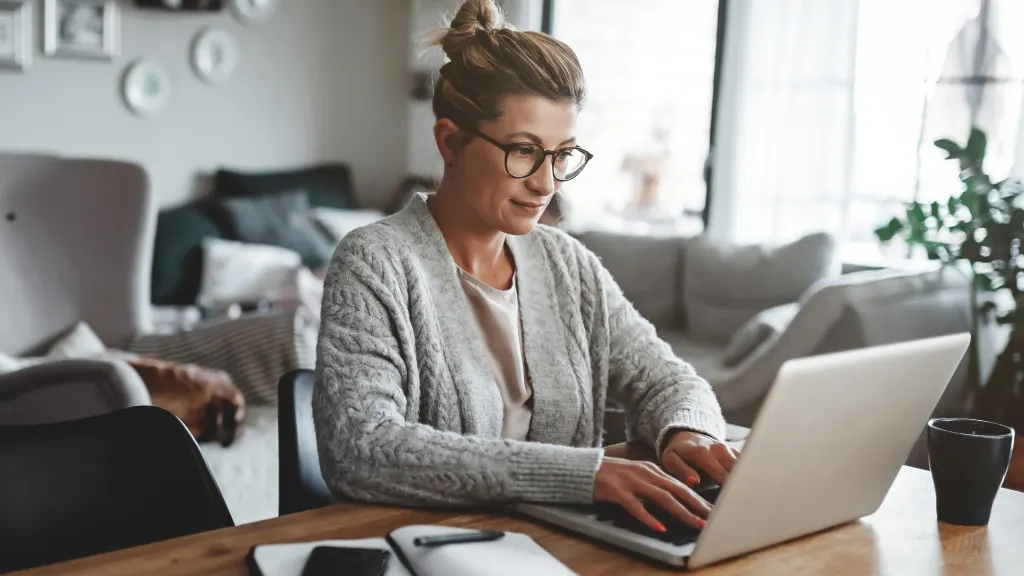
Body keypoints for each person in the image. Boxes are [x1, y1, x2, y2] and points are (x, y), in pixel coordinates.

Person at [313, 0, 737, 533]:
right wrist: (587, 474)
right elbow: (363, 448)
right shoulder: (375, 263)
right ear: (450, 142)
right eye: (523, 151)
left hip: (564, 544)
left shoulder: (568, 263)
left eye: (563, 155)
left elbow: (668, 379)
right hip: (435, 551)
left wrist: (689, 431)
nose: (546, 184)